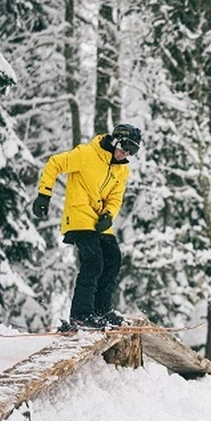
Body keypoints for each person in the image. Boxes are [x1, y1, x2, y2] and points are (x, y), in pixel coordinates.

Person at [31, 124, 142, 329]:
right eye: (125, 147)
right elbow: (54, 163)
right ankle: (81, 315)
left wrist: (109, 215)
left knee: (113, 259)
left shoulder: (122, 169)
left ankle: (102, 311)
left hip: (99, 221)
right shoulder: (86, 154)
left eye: (132, 151)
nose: (126, 153)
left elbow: (116, 197)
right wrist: (44, 194)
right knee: (93, 260)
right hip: (78, 216)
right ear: (115, 140)